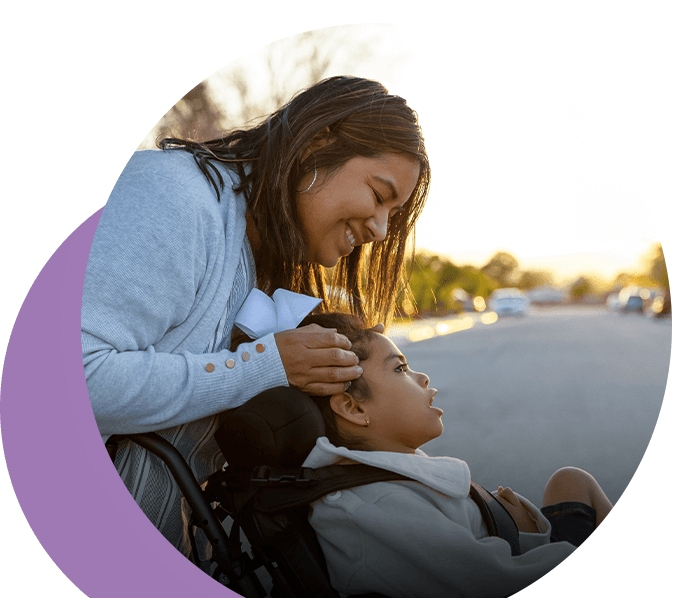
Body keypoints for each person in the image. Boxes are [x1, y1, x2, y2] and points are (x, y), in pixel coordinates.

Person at [81, 76, 431, 565]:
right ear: (316, 144)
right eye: (378, 195)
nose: (379, 229)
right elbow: (71, 382)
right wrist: (261, 368)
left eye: (393, 214)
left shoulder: (266, 256)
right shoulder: (175, 197)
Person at [280, 312, 613, 598]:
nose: (422, 377)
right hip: (538, 569)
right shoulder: (375, 507)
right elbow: (495, 583)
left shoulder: (382, 477)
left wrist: (497, 515)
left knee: (569, 481)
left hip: (521, 545)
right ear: (353, 407)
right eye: (400, 369)